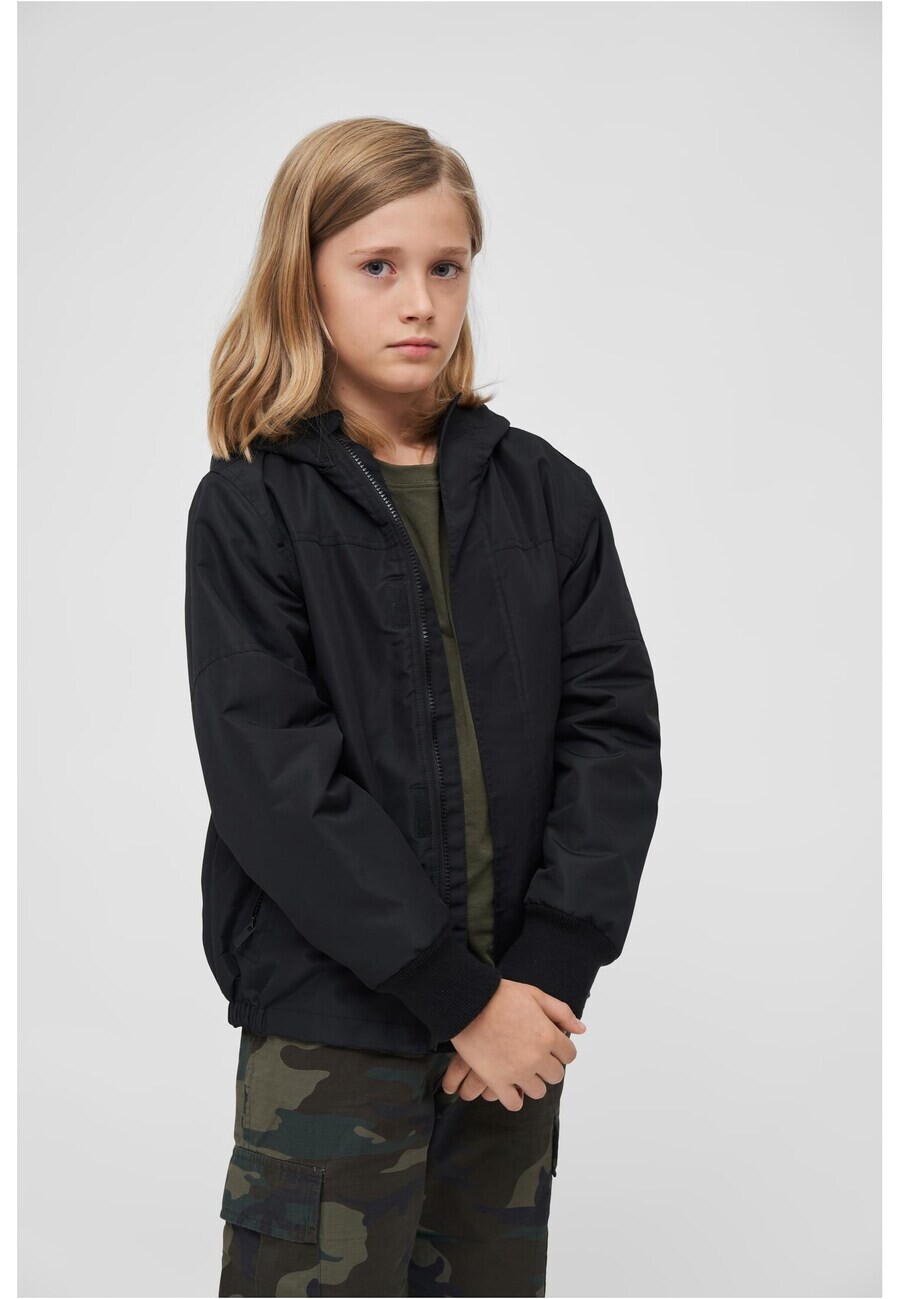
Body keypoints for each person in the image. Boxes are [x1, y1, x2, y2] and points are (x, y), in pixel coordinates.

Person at [184, 116, 662, 1299]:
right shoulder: (251, 507)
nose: (421, 303)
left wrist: (543, 978)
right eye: (378, 266)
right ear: (304, 276)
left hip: (515, 1030)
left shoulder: (547, 496)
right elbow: (274, 782)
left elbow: (613, 735)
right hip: (333, 1031)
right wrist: (457, 995)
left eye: (447, 267)